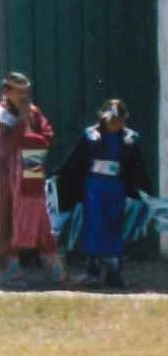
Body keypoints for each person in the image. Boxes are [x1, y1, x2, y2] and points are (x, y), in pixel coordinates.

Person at [54, 98, 151, 288]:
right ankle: (93, 269)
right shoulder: (91, 135)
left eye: (119, 121)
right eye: (112, 121)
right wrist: (61, 176)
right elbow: (75, 160)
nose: (116, 125)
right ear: (104, 119)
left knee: (114, 223)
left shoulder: (129, 139)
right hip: (95, 185)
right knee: (94, 223)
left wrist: (142, 190)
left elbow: (137, 167)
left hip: (116, 186)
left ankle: (114, 270)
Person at [0, 72, 64, 287]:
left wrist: (30, 135)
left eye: (26, 91)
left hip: (32, 166)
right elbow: (6, 148)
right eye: (18, 92)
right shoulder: (2, 115)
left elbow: (46, 136)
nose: (23, 96)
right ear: (7, 92)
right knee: (11, 218)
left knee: (40, 216)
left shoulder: (34, 112)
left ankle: (55, 270)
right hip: (8, 174)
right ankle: (11, 269)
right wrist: (22, 125)